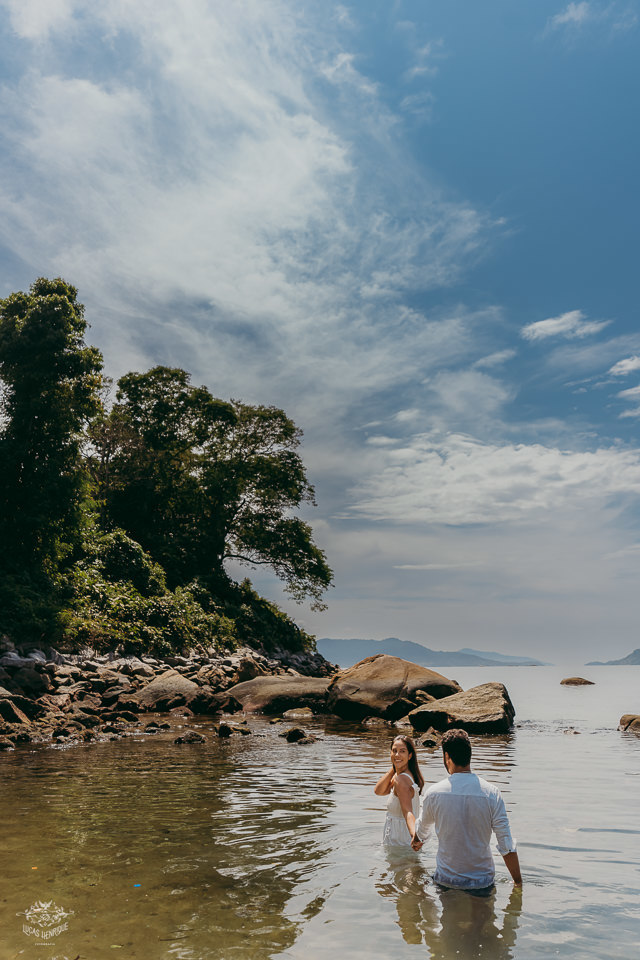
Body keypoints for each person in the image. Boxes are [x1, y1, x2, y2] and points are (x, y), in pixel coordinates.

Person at [411, 728, 522, 893]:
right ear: (470, 755)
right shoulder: (492, 793)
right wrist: (518, 884)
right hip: (482, 883)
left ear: (446, 756)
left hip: (447, 882)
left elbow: (422, 833)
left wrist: (416, 840)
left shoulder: (434, 793)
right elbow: (506, 845)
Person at [374, 734, 425, 846]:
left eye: (402, 751)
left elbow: (408, 811)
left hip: (400, 844)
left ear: (410, 755)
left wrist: (414, 836)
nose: (397, 754)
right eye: (394, 751)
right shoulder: (402, 776)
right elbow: (378, 791)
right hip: (401, 843)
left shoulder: (401, 780)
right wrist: (395, 767)